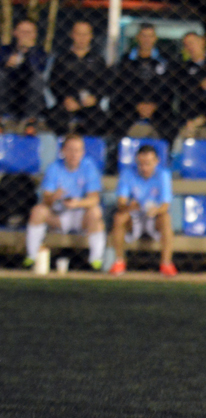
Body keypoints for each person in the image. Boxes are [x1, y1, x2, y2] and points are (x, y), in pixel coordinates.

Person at [24, 134, 105, 270]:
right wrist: (54, 196)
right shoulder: (54, 168)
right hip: (59, 215)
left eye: (77, 150)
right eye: (70, 150)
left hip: (81, 216)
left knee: (95, 212)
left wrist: (77, 203)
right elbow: (46, 199)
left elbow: (94, 199)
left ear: (83, 152)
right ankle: (32, 256)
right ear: (63, 151)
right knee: (38, 210)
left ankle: (95, 261)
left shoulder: (89, 167)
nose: (74, 154)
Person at [109, 144, 177, 277]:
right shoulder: (128, 173)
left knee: (166, 218)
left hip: (154, 216)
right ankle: (119, 262)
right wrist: (130, 207)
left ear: (156, 161)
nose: (144, 168)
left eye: (148, 164)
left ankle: (166, 264)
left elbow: (165, 205)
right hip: (134, 217)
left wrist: (156, 210)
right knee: (119, 217)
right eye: (141, 164)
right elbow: (121, 203)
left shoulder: (163, 175)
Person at [112, 23, 174, 141]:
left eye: (150, 36)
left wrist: (153, 105)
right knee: (116, 122)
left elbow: (169, 88)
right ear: (138, 38)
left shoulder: (165, 61)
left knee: (170, 125)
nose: (147, 40)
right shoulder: (126, 60)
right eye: (144, 36)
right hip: (131, 108)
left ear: (155, 38)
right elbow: (121, 88)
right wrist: (137, 105)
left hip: (158, 109)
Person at [49, 21, 108, 136]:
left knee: (101, 122)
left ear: (91, 36)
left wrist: (95, 98)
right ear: (72, 35)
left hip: (90, 104)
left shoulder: (98, 60)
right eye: (78, 34)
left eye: (85, 34)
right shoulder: (62, 59)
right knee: (54, 118)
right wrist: (65, 99)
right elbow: (54, 83)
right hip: (66, 104)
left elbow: (105, 84)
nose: (82, 38)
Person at [0, 19, 49, 133]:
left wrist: (29, 51)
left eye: (28, 32)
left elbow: (38, 69)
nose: (25, 35)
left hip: (28, 95)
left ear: (34, 34)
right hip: (8, 93)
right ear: (15, 32)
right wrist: (6, 63)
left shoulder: (39, 52)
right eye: (22, 32)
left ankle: (30, 120)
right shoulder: (4, 50)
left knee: (37, 79)